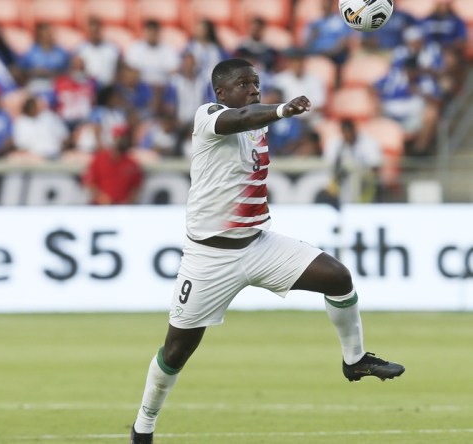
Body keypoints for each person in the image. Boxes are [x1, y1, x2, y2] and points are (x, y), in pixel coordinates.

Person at [129, 58, 405, 444]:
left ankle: (355, 359)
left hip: (259, 244)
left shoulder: (258, 128)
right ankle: (143, 425)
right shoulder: (208, 117)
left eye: (256, 83)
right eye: (244, 84)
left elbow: (250, 118)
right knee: (176, 351)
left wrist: (272, 114)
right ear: (221, 92)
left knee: (338, 277)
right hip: (209, 258)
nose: (253, 90)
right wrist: (279, 109)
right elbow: (241, 117)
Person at [82, 126, 143, 205]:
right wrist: (101, 198)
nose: (123, 141)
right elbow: (89, 182)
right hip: (100, 206)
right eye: (120, 137)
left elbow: (136, 187)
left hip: (123, 208)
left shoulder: (132, 163)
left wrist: (128, 202)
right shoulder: (99, 158)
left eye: (125, 137)